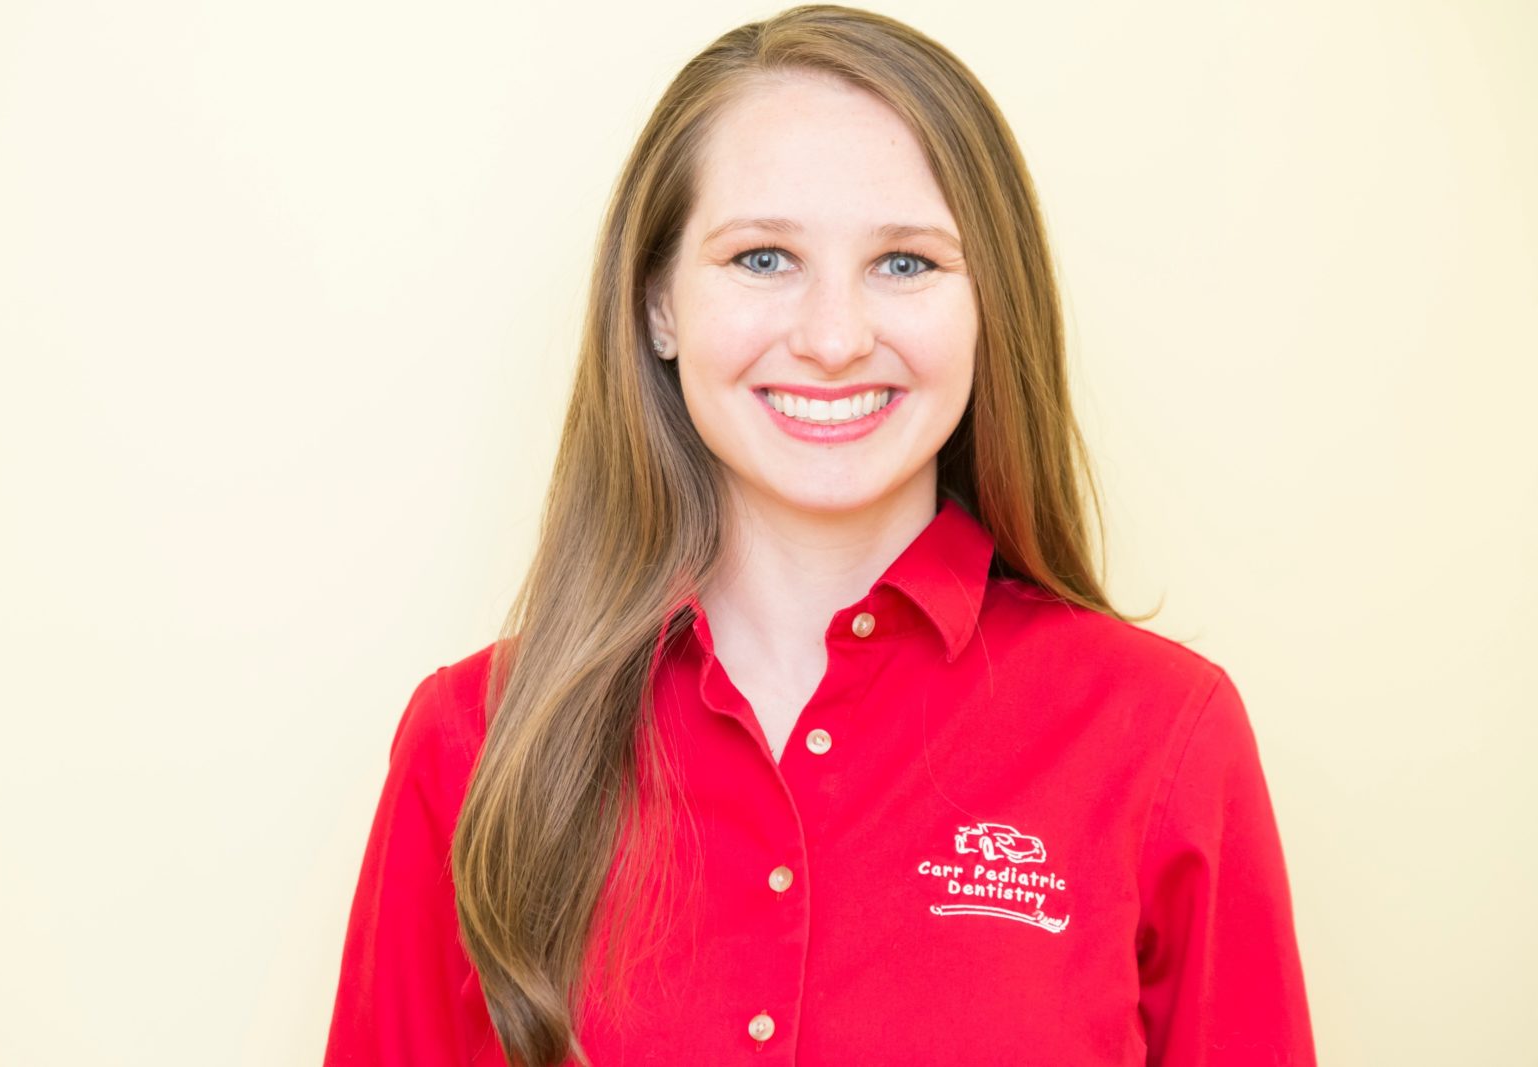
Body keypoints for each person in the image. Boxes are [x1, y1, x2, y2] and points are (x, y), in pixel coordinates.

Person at [322, 5, 1317, 1066]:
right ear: (658, 303)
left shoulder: (1161, 734)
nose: (834, 338)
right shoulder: (473, 744)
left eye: (905, 263)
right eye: (761, 258)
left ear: (991, 305)